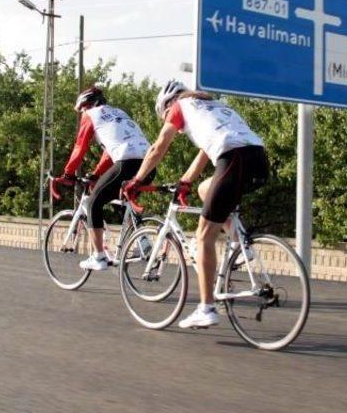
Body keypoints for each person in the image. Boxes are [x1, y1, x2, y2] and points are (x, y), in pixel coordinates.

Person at [122, 80, 269, 329]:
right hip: (259, 160)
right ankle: (238, 241)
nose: (171, 123)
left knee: (203, 236)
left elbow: (158, 147)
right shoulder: (212, 106)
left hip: (233, 158)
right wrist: (186, 182)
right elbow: (204, 153)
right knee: (205, 189)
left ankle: (206, 308)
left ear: (168, 105)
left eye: (165, 116)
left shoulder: (180, 107)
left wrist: (137, 180)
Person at [56, 86, 152, 270]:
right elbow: (110, 152)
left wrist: (68, 173)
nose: (82, 113)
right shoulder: (118, 113)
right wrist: (96, 175)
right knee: (123, 200)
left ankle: (99, 256)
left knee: (94, 202)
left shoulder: (91, 114)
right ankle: (143, 242)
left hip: (127, 163)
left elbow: (80, 146)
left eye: (82, 109)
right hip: (148, 164)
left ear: (86, 105)